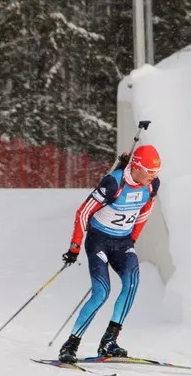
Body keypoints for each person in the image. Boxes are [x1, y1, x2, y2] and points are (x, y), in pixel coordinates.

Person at [57, 144, 162, 363]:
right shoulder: (113, 183)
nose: (154, 176)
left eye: (156, 172)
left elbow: (145, 210)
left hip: (122, 242)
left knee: (132, 282)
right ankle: (71, 344)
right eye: (150, 172)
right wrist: (74, 247)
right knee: (102, 292)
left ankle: (109, 342)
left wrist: (131, 239)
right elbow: (83, 212)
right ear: (136, 166)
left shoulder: (151, 187)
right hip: (99, 242)